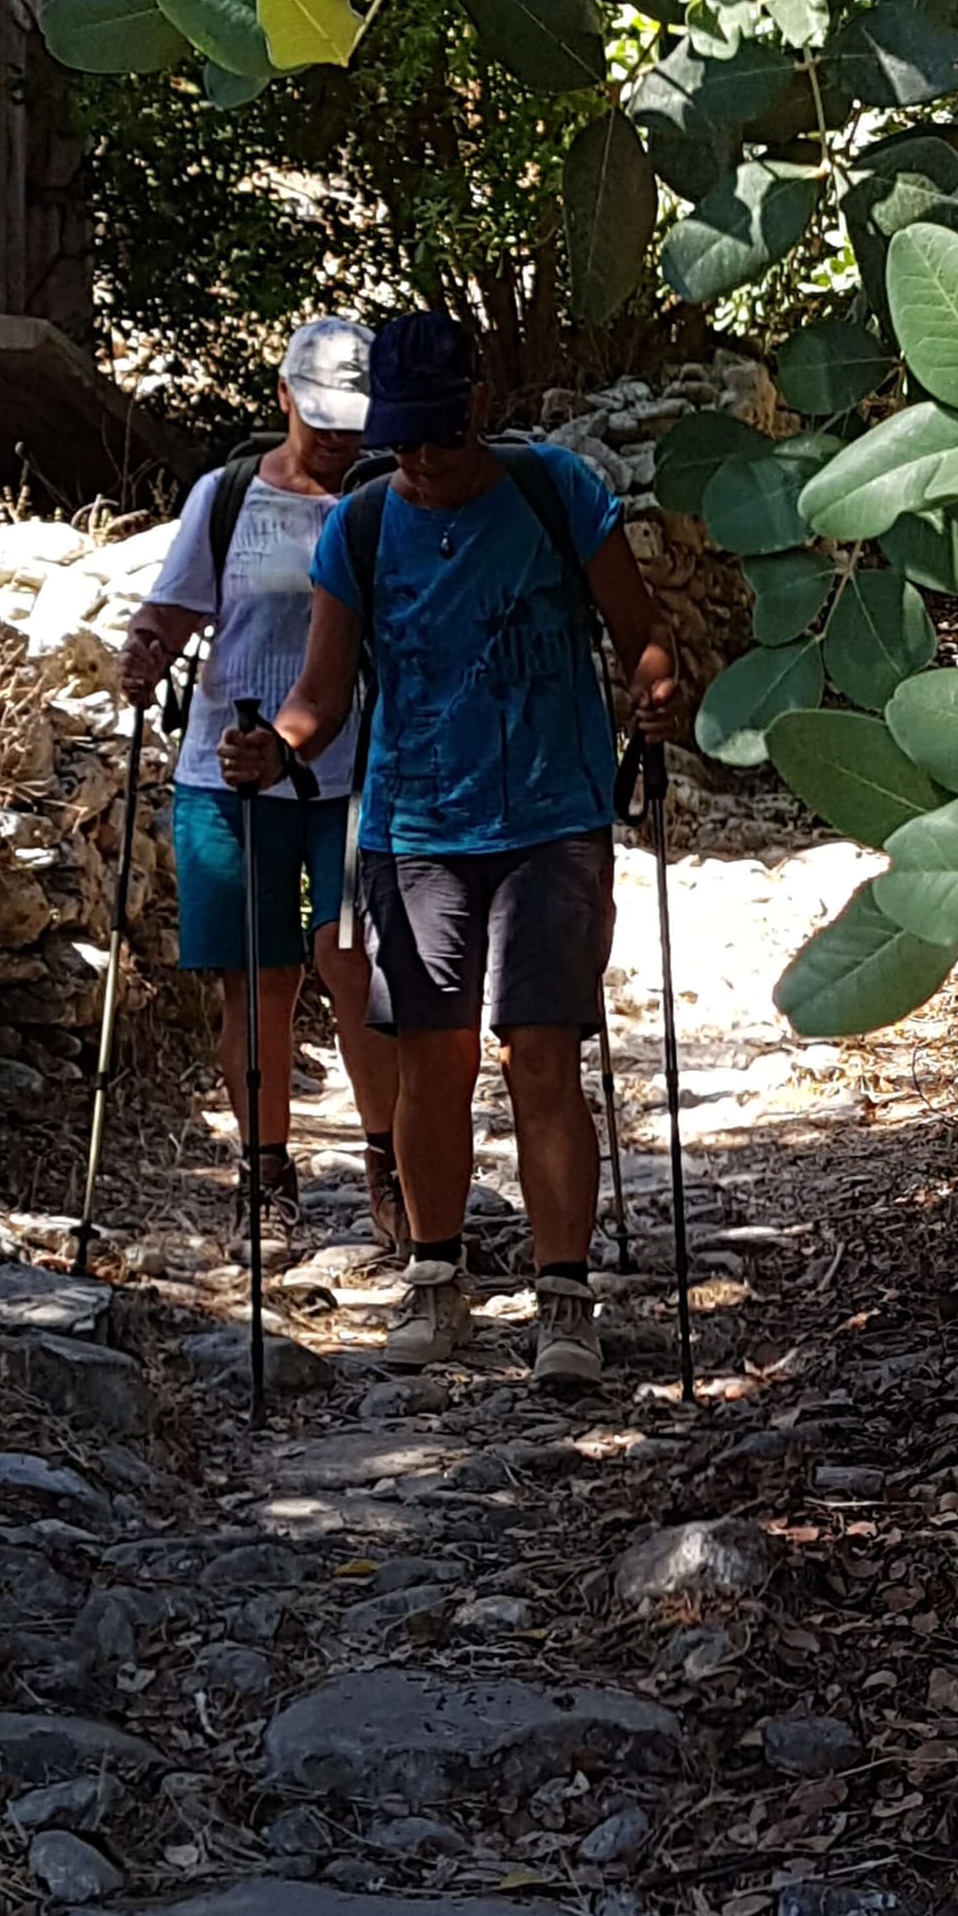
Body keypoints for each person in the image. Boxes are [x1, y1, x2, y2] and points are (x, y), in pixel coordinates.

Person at [219, 311, 679, 1384]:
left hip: (552, 819)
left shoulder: (554, 491)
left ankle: (563, 1302)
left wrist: (656, 691)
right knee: (430, 1057)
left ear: (477, 410)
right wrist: (270, 754)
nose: (420, 463)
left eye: (439, 439)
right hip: (411, 827)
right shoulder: (364, 525)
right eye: (402, 443)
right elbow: (321, 700)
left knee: (541, 1053)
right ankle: (437, 1282)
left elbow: (640, 630)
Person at [118, 316, 403, 1265]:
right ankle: (267, 1176)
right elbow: (175, 604)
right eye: (320, 414)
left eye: (351, 418)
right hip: (228, 768)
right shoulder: (228, 495)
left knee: (352, 962)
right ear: (282, 396)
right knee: (257, 977)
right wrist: (145, 649)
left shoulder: (387, 498)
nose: (335, 435)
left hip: (354, 771)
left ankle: (391, 1161)